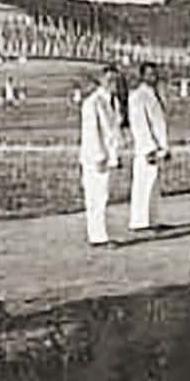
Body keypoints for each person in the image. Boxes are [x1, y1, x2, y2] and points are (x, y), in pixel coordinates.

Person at [79, 66, 123, 248]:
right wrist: (99, 156)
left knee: (103, 196)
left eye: (116, 80)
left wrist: (116, 154)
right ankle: (98, 237)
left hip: (109, 156)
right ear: (101, 81)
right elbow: (91, 133)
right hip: (96, 157)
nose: (114, 84)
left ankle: (100, 234)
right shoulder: (92, 102)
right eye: (109, 80)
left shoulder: (114, 101)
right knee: (95, 197)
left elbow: (114, 131)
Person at [128, 62, 170, 232]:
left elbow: (159, 123)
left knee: (153, 184)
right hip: (147, 148)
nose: (154, 77)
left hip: (158, 146)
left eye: (155, 74)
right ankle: (139, 222)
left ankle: (153, 220)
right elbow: (140, 124)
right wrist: (148, 148)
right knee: (143, 184)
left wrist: (165, 147)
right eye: (150, 74)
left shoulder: (155, 95)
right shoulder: (137, 96)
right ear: (142, 76)